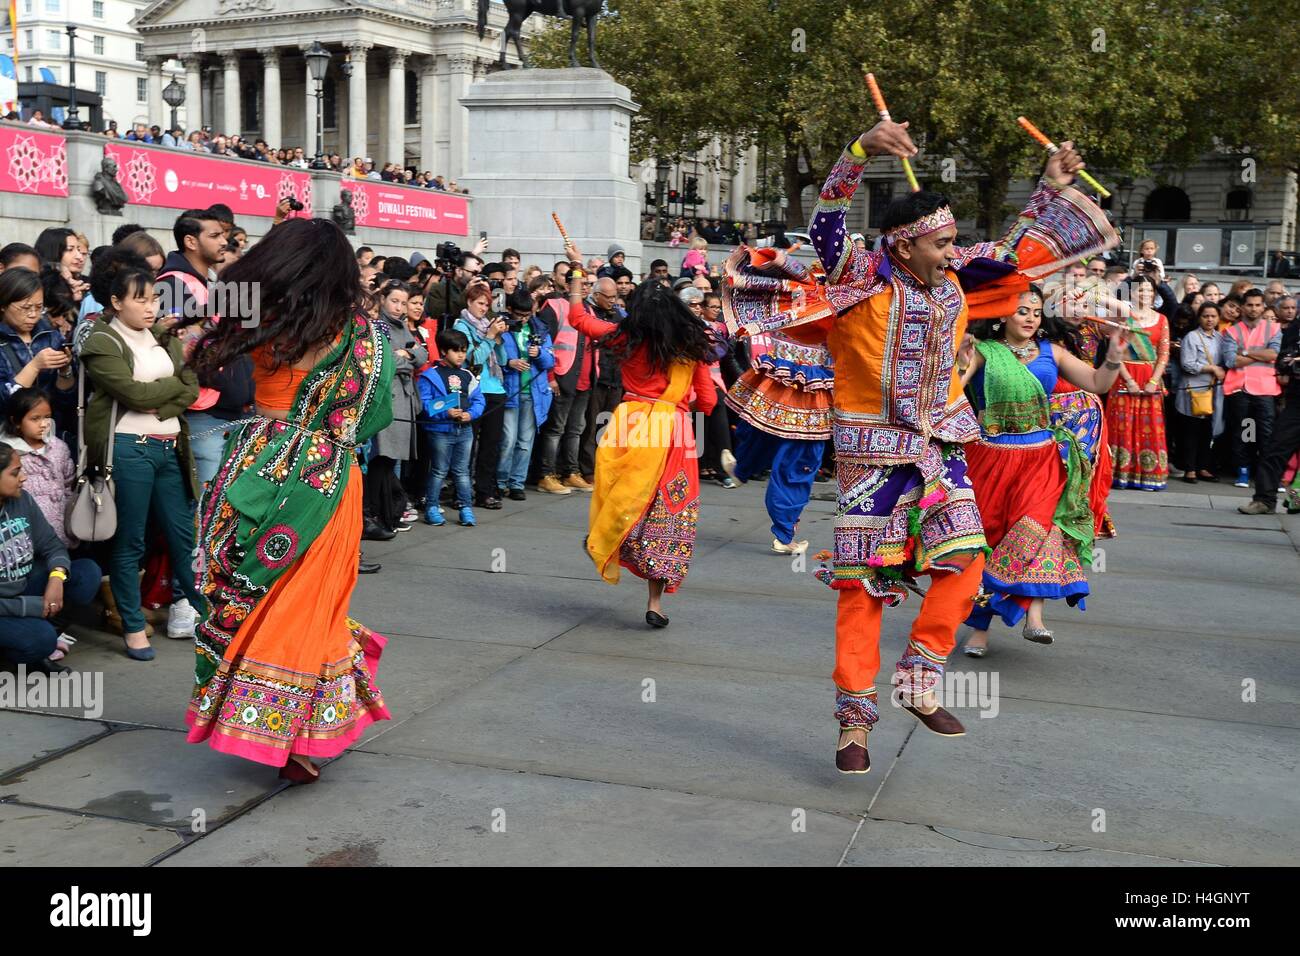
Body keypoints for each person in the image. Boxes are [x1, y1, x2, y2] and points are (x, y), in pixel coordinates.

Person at [730, 119, 1115, 773]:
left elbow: (1016, 251)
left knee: (965, 565)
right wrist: (855, 152)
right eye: (941, 242)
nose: (951, 250)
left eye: (953, 241)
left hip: (943, 450)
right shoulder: (862, 279)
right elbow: (826, 225)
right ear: (905, 246)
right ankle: (854, 726)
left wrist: (1050, 187)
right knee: (864, 589)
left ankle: (917, 677)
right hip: (870, 460)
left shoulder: (956, 281)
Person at [187, 218, 394, 782]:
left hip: (256, 460)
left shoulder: (255, 315)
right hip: (326, 478)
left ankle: (258, 717)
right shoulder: (365, 336)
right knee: (312, 601)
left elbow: (194, 351)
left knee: (249, 588)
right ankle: (293, 733)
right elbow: (376, 415)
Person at [958, 288, 1127, 654]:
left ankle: (1034, 617)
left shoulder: (1053, 352)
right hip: (991, 457)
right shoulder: (985, 351)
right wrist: (960, 356)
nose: (1031, 317)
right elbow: (952, 391)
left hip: (1041, 458)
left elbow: (1097, 383)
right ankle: (979, 630)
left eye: (1036, 310)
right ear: (1003, 315)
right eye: (1021, 311)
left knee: (1039, 531)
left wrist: (1112, 359)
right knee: (989, 541)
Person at [562, 242, 717, 628]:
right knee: (667, 511)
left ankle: (604, 538)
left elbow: (579, 317)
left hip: (629, 424)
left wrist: (579, 272)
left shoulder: (622, 337)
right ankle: (655, 602)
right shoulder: (691, 347)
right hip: (675, 434)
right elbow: (709, 401)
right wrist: (686, 406)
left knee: (623, 495)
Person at [80, 257, 205, 661]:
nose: (150, 307)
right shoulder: (101, 341)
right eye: (140, 299)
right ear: (116, 302)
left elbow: (191, 388)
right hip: (128, 449)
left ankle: (205, 615)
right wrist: (167, 390)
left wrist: (165, 402)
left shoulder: (163, 337)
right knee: (130, 538)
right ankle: (132, 625)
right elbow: (132, 395)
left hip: (171, 446)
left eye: (154, 299)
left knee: (183, 535)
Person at [722, 248, 833, 553]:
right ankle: (784, 534)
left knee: (765, 434)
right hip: (807, 383)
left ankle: (742, 469)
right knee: (800, 458)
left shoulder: (801, 286)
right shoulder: (824, 295)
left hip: (786, 374)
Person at [0, 443, 99, 674]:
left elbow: (52, 546)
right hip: (6, 605)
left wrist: (56, 577)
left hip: (22, 586)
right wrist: (34, 607)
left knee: (86, 573)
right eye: (15, 473)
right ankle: (23, 648)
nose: (23, 478)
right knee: (42, 639)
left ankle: (35, 640)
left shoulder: (22, 500)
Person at [1106, 275, 1170, 490]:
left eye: (1149, 290)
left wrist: (1154, 380)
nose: (1145, 294)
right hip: (1124, 377)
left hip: (1150, 379)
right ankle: (1120, 474)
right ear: (1131, 293)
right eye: (1140, 290)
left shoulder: (1161, 320)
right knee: (1122, 426)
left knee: (1148, 428)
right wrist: (1130, 380)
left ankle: (1148, 475)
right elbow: (1115, 350)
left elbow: (1163, 354)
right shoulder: (1124, 317)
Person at [418, 328, 485, 526]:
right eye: (456, 350)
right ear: (444, 352)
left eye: (464, 350)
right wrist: (444, 413)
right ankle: (431, 508)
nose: (461, 355)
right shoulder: (430, 375)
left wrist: (470, 414)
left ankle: (466, 509)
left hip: (464, 430)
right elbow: (424, 403)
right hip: (440, 431)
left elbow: (479, 400)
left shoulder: (467, 375)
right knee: (439, 470)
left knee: (462, 471)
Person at [453, 281, 508, 509]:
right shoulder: (462, 325)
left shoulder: (488, 324)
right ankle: (461, 493)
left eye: (487, 304)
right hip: (475, 390)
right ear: (469, 302)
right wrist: (489, 336)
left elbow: (502, 360)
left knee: (491, 445)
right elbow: (472, 358)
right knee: (467, 444)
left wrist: (497, 337)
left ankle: (485, 491)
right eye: (479, 303)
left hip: (496, 389)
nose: (484, 308)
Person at [497, 288, 555, 500]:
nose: (523, 319)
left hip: (533, 391)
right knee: (508, 439)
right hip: (510, 391)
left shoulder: (539, 328)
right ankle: (501, 480)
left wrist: (538, 353)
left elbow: (550, 362)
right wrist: (508, 362)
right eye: (519, 315)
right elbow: (493, 358)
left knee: (525, 440)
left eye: (527, 315)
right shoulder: (501, 328)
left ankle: (517, 482)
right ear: (510, 310)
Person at [1221, 289, 1281, 488]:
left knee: (1267, 433)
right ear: (1243, 307)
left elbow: (1273, 355)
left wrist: (1245, 351)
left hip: (1266, 389)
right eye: (1250, 305)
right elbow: (1231, 360)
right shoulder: (1232, 331)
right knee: (1246, 432)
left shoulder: (1273, 329)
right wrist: (1260, 354)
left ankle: (1268, 476)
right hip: (1241, 389)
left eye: (1257, 305)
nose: (1254, 309)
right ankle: (1244, 471)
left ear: (1263, 306)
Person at [1, 388, 74, 547]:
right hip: (24, 541)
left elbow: (68, 483)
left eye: (47, 417)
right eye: (35, 419)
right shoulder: (10, 455)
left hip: (61, 535)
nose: (43, 424)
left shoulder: (59, 447)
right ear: (16, 421)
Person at [1176, 302, 1227, 483]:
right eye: (1206, 316)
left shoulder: (1221, 338)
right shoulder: (1192, 337)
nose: (1210, 319)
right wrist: (1212, 368)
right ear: (1199, 318)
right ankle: (1190, 469)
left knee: (1208, 430)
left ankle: (1203, 467)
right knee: (1191, 431)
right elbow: (1187, 364)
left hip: (1213, 392)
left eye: (1213, 316)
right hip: (1194, 391)